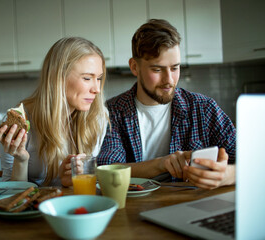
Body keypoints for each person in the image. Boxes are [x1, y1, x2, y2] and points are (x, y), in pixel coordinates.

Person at [97, 19, 236, 190]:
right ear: (134, 67)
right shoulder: (112, 112)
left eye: (175, 68)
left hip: (191, 206)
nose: (169, 80)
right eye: (157, 69)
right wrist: (162, 163)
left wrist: (228, 175)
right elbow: (108, 169)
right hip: (132, 209)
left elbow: (254, 160)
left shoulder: (204, 108)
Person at [0, 37, 108, 187]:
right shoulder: (21, 122)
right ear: (58, 77)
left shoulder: (98, 118)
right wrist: (21, 160)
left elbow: (89, 189)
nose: (96, 89)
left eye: (99, 78)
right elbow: (11, 194)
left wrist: (72, 182)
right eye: (87, 78)